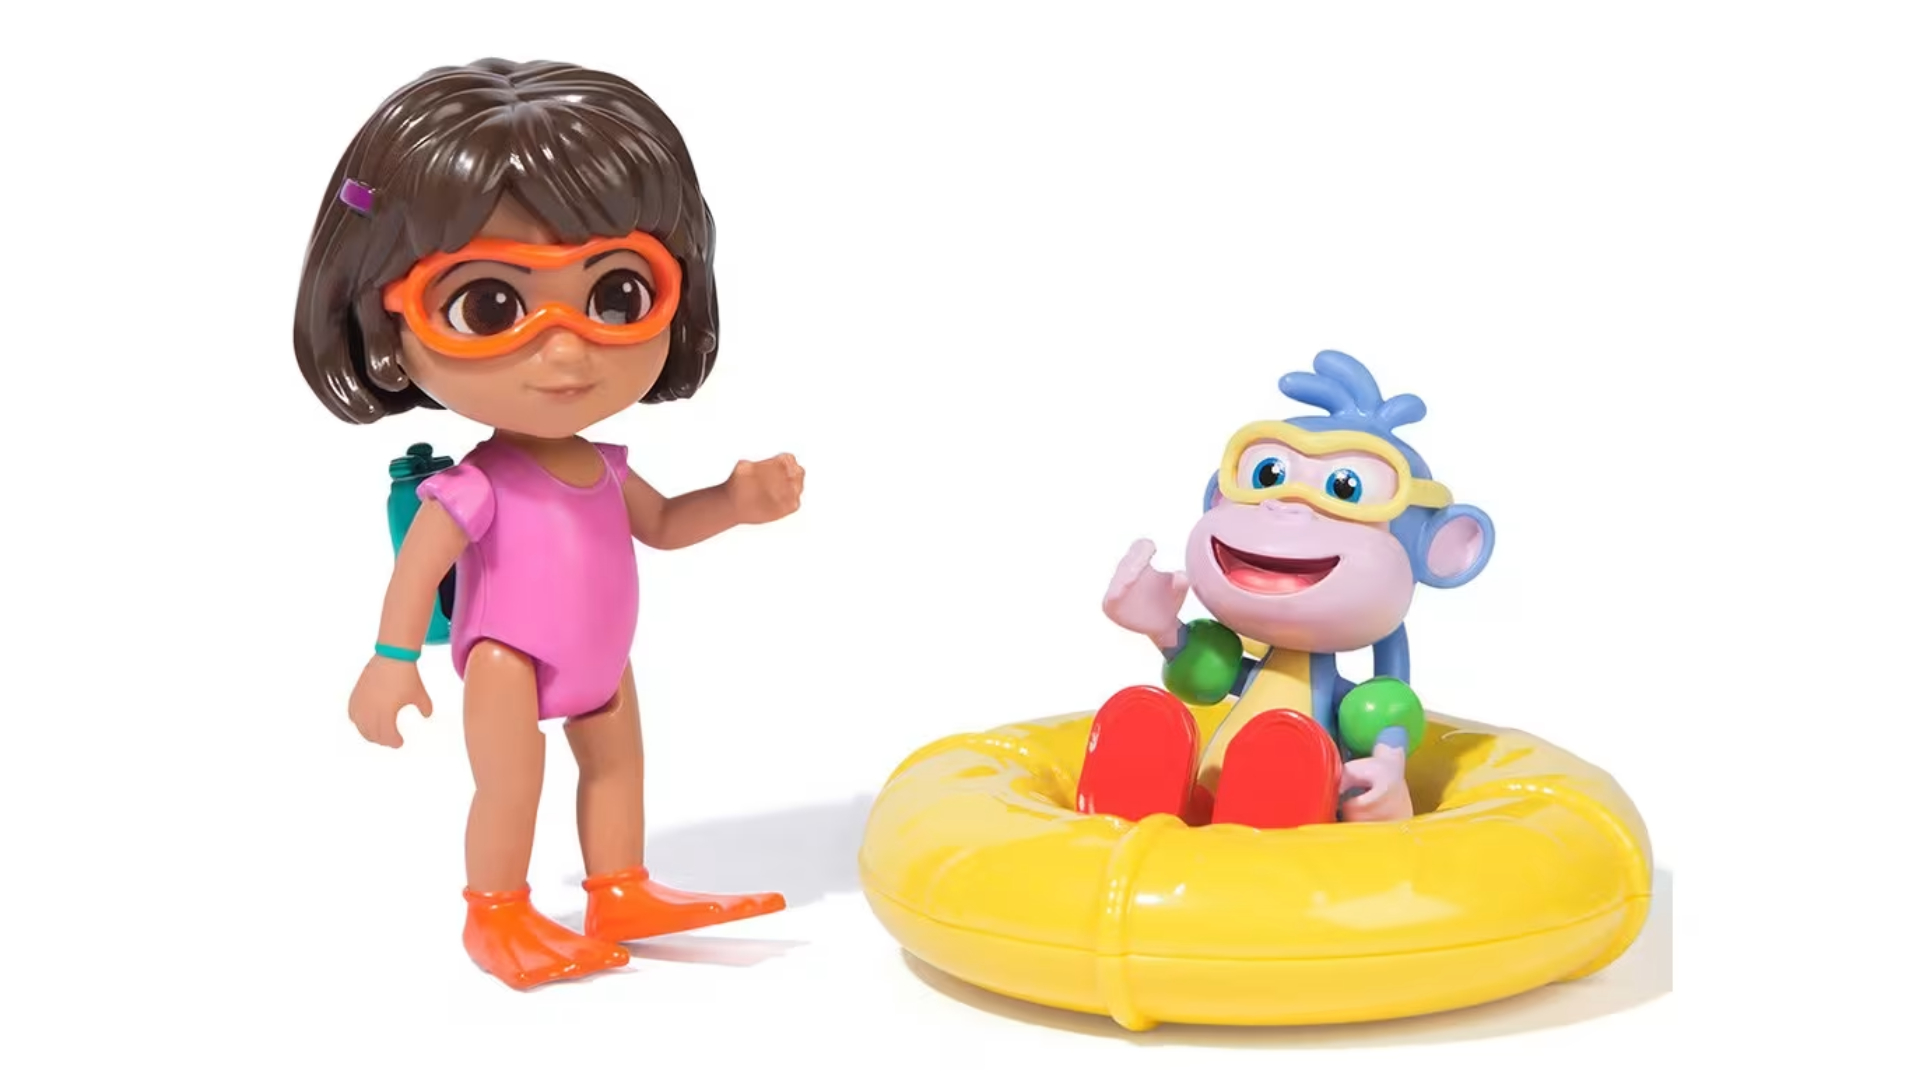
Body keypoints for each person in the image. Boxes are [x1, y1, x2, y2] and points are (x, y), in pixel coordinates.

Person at [292, 58, 804, 990]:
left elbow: (660, 525)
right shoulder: (477, 486)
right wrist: (391, 661)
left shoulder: (608, 466)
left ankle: (621, 886)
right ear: (389, 326)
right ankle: (496, 911)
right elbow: (418, 570)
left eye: (617, 295)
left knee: (619, 768)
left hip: (606, 658)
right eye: (490, 304)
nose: (565, 351)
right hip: (507, 661)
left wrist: (734, 504)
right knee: (512, 782)